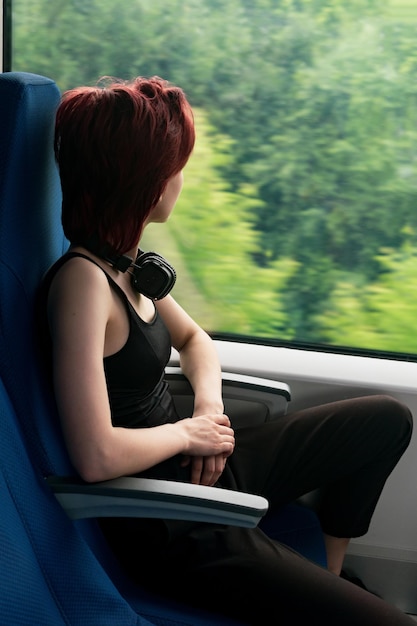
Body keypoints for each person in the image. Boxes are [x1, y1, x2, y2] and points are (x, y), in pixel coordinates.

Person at [40, 75, 414, 625]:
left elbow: (196, 342)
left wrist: (208, 415)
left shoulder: (124, 262)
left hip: (195, 467)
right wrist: (188, 434)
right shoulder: (83, 283)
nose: (181, 180)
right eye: (176, 167)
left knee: (385, 421)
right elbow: (96, 456)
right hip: (167, 520)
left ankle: (330, 578)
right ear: (143, 181)